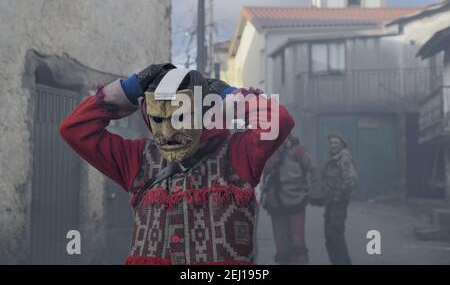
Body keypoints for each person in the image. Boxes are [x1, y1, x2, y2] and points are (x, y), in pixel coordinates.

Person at [59, 63, 294, 265]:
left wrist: (230, 95)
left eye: (180, 117)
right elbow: (74, 129)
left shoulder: (236, 154)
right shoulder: (138, 158)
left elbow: (279, 119)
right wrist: (127, 90)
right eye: (158, 119)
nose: (168, 131)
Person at [260, 135, 318, 264]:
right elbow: (261, 173)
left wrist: (314, 192)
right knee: (281, 245)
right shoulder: (268, 152)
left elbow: (313, 168)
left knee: (298, 244)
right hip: (275, 204)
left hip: (295, 201)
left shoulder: (297, 151)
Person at [322, 133, 358, 265]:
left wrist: (339, 194)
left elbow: (351, 181)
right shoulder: (333, 160)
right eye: (331, 143)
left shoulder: (344, 158)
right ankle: (337, 261)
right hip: (331, 203)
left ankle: (342, 262)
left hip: (338, 203)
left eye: (336, 143)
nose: (332, 145)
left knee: (335, 234)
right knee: (330, 236)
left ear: (342, 144)